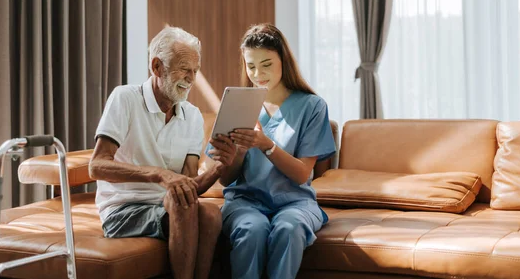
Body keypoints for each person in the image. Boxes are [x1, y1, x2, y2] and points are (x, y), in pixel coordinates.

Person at [89, 26, 236, 279]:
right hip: (124, 210)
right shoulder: (125, 98)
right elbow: (97, 166)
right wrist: (159, 175)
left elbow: (191, 185)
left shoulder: (192, 115)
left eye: (195, 71)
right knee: (181, 202)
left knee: (210, 213)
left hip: (170, 207)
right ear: (157, 67)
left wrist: (222, 166)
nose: (191, 78)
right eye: (184, 68)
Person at [207, 23, 336, 279]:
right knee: (251, 230)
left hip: (295, 202)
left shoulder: (312, 106)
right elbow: (225, 179)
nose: (258, 73)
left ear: (283, 61)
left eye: (266, 64)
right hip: (245, 203)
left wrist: (266, 145)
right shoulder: (238, 105)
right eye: (251, 65)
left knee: (289, 228)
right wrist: (238, 154)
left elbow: (301, 175)